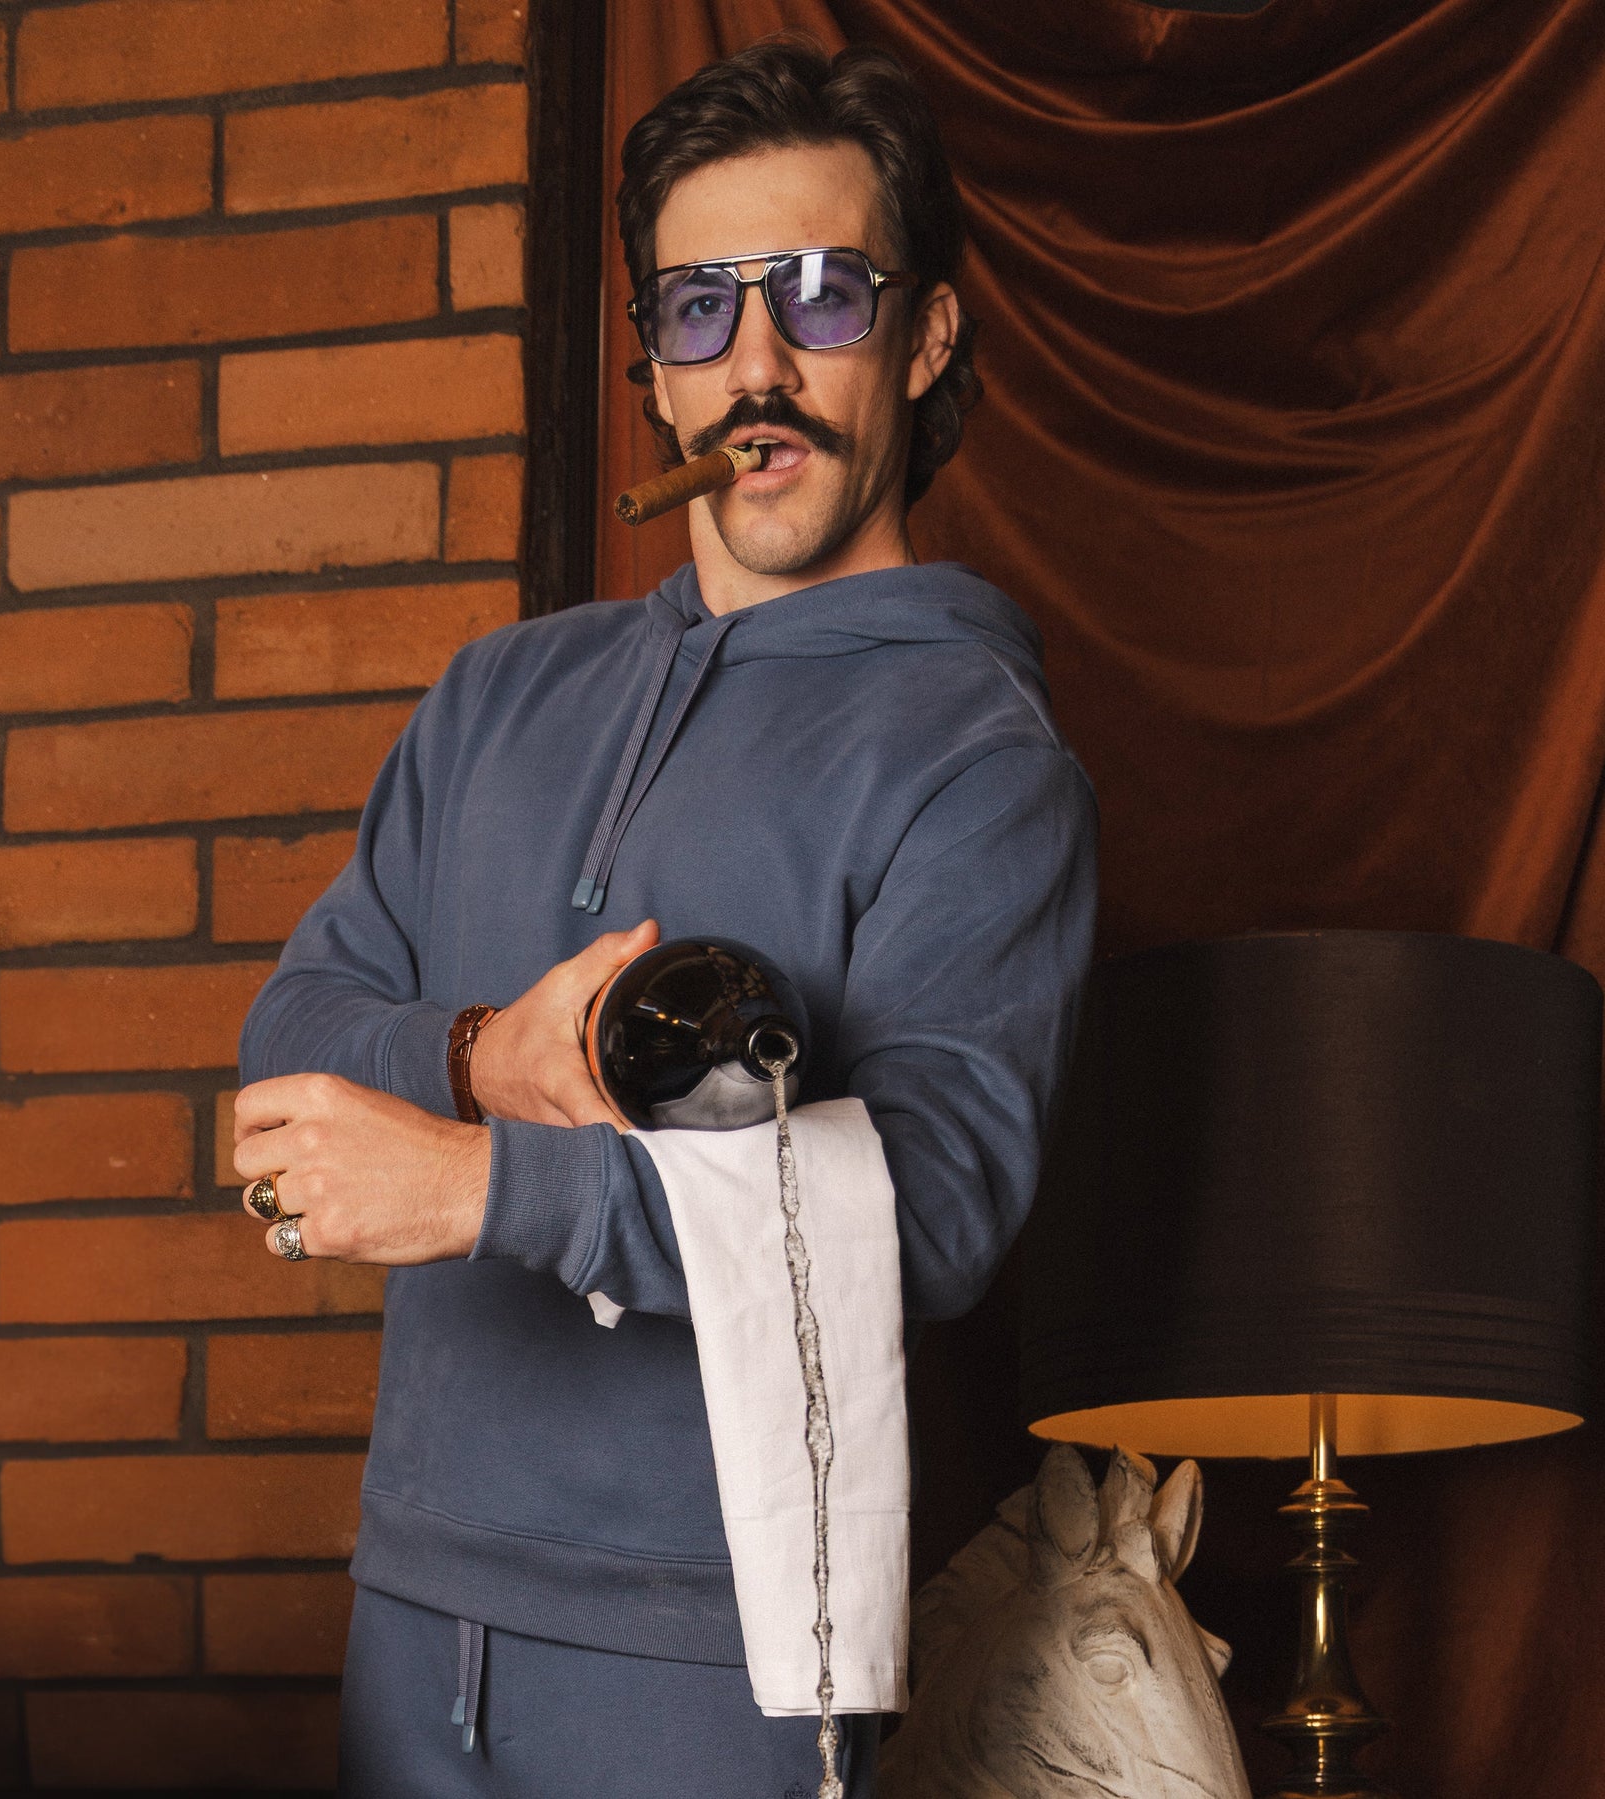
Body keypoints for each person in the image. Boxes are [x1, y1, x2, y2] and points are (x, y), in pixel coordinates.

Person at [234, 38, 1096, 1799]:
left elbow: (930, 1214)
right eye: (702, 310)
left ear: (927, 335)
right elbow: (291, 1036)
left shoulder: (984, 759)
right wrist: (487, 1058)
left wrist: (481, 1185)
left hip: (720, 1664)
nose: (756, 367)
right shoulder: (493, 695)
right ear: (653, 369)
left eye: (821, 295)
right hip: (415, 1607)